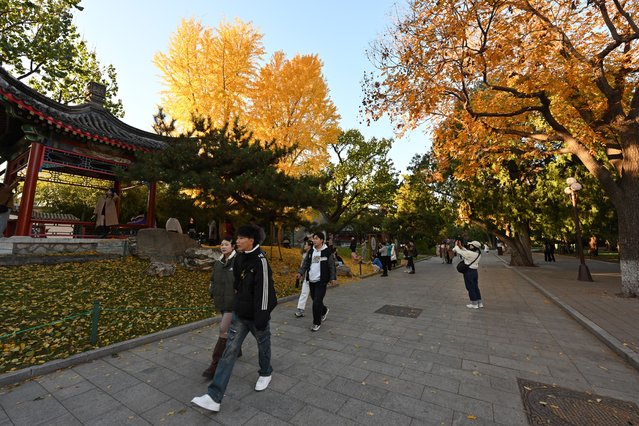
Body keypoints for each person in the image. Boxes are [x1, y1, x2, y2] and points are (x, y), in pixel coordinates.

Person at [192, 224, 277, 413]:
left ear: (251, 240)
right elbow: (237, 282)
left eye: (240, 238)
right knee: (229, 351)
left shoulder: (261, 262)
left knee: (263, 345)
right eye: (236, 238)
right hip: (240, 314)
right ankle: (214, 397)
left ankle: (265, 372)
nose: (236, 241)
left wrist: (262, 318)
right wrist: (238, 302)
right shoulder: (239, 259)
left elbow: (264, 292)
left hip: (257, 316)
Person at [202, 237, 237, 378]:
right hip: (221, 301)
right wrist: (212, 291)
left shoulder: (238, 261)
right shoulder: (218, 262)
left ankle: (214, 365)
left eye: (226, 244)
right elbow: (212, 280)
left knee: (223, 329)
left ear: (233, 246)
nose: (223, 246)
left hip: (233, 303)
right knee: (230, 328)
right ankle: (237, 348)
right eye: (221, 244)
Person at [297, 231, 336, 332]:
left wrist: (332, 278)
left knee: (316, 302)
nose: (314, 240)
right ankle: (324, 310)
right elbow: (306, 263)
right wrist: (300, 272)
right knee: (315, 300)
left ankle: (316, 323)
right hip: (311, 280)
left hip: (321, 281)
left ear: (322, 240)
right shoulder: (311, 251)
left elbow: (331, 266)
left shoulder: (327, 252)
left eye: (316, 238)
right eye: (313, 238)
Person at [453, 240, 483, 309]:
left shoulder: (470, 254)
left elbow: (460, 252)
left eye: (471, 245)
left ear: (473, 246)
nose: (470, 246)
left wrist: (456, 246)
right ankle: (479, 302)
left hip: (469, 272)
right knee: (475, 287)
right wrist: (461, 246)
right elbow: (466, 252)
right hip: (475, 272)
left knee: (470, 287)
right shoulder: (478, 253)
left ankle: (474, 304)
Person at [294, 240, 314, 318]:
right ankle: (300, 310)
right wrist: (300, 273)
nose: (304, 246)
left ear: (309, 246)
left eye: (305, 244)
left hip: (313, 277)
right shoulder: (305, 254)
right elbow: (303, 265)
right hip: (306, 277)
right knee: (304, 293)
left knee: (315, 296)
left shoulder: (315, 253)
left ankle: (323, 310)